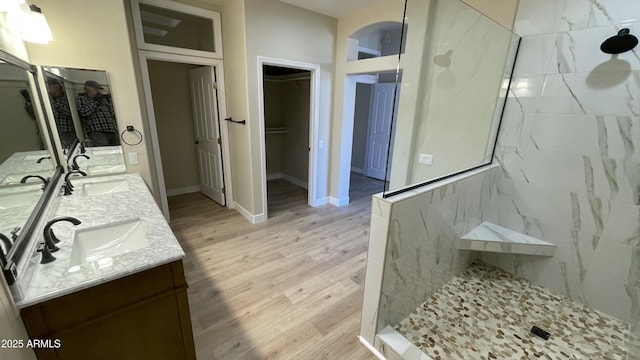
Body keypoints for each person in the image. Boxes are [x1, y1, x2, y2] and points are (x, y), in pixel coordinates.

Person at [75, 80, 120, 146]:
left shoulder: (101, 98)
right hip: (97, 131)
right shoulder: (81, 98)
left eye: (98, 89)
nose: (98, 90)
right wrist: (96, 102)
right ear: (88, 88)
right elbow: (84, 112)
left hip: (111, 129)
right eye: (95, 88)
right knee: (103, 151)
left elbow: (111, 111)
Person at [46, 77, 76, 148]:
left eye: (49, 87)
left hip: (67, 131)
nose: (48, 89)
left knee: (71, 150)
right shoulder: (46, 99)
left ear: (56, 86)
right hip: (52, 131)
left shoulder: (67, 98)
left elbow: (70, 113)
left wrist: (55, 103)